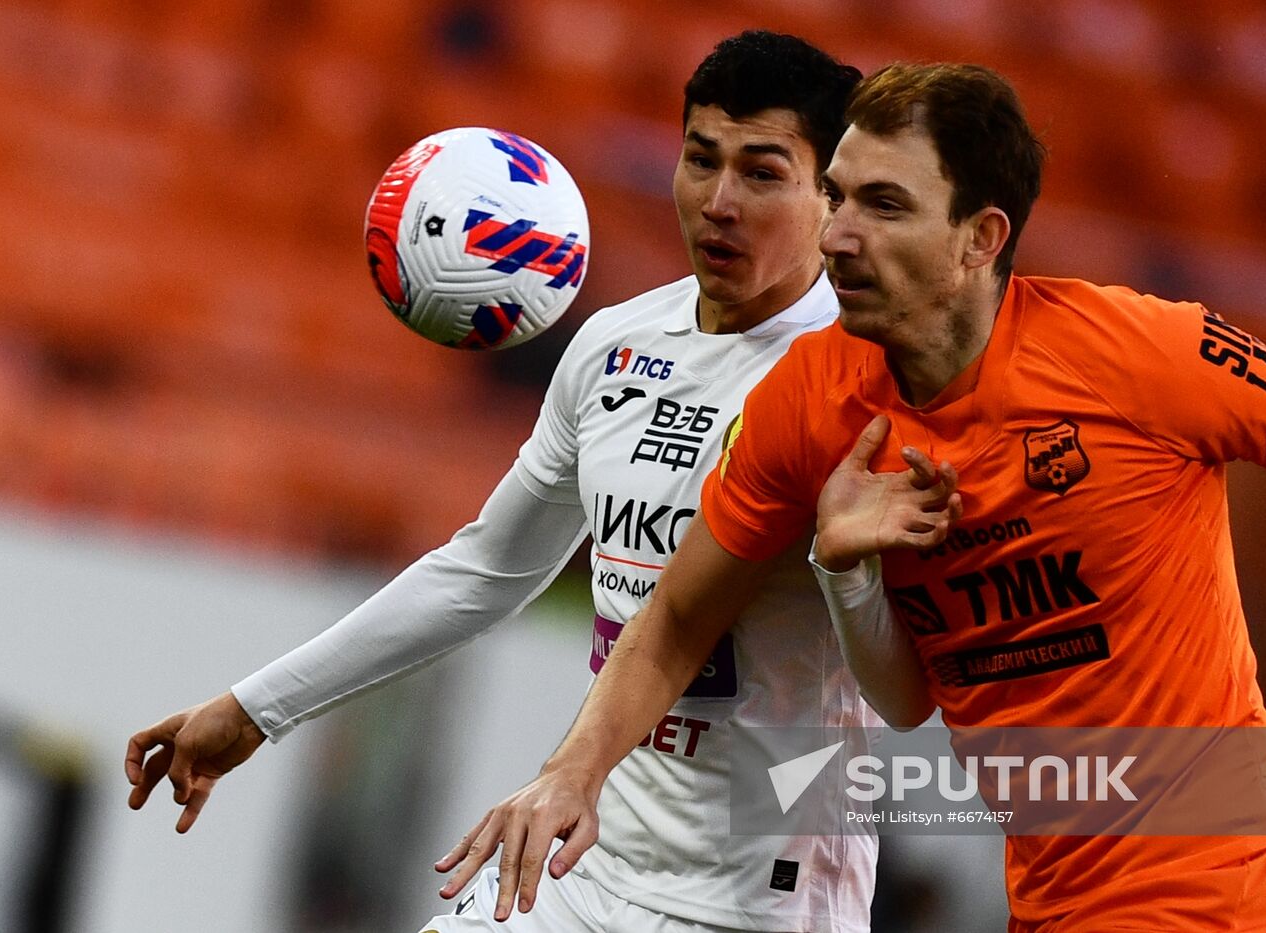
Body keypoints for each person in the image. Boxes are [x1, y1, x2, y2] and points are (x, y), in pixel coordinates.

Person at [440, 62, 1266, 930]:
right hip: (1047, 898)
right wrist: (576, 769)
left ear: (981, 237)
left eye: (885, 205)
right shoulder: (811, 401)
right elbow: (707, 627)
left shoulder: (1143, 356)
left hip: (1211, 897)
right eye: (839, 197)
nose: (838, 233)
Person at [124, 31, 958, 933]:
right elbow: (484, 570)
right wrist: (256, 709)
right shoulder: (613, 348)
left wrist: (849, 569)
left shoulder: (867, 382)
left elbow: (904, 694)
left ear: (829, 197)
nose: (718, 203)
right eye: (699, 160)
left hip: (760, 897)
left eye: (762, 174)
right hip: (579, 853)